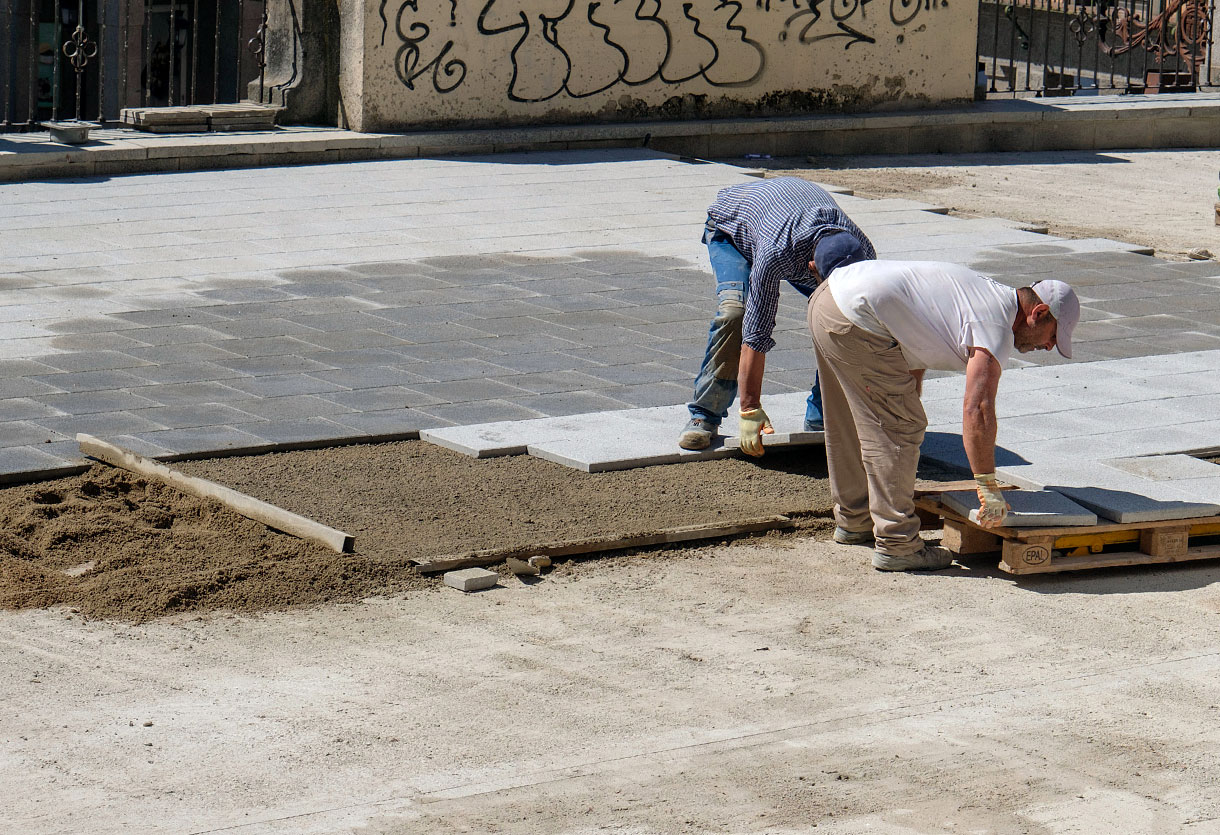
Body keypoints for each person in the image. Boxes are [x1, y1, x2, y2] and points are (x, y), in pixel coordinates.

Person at [806, 260, 1080, 572]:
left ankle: (854, 520)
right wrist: (987, 485)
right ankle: (897, 544)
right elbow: (978, 409)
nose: (1049, 346)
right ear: (1039, 313)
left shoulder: (983, 296)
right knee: (902, 426)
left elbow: (915, 342)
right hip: (858, 318)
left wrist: (903, 402)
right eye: (1053, 336)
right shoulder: (995, 325)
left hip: (830, 300)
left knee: (849, 420)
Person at [678, 177, 875, 455]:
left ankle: (824, 415)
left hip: (780, 215)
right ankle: (705, 415)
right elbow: (756, 333)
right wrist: (750, 409)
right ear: (811, 268)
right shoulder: (777, 253)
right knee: (736, 312)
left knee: (845, 319)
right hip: (731, 229)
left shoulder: (864, 254)